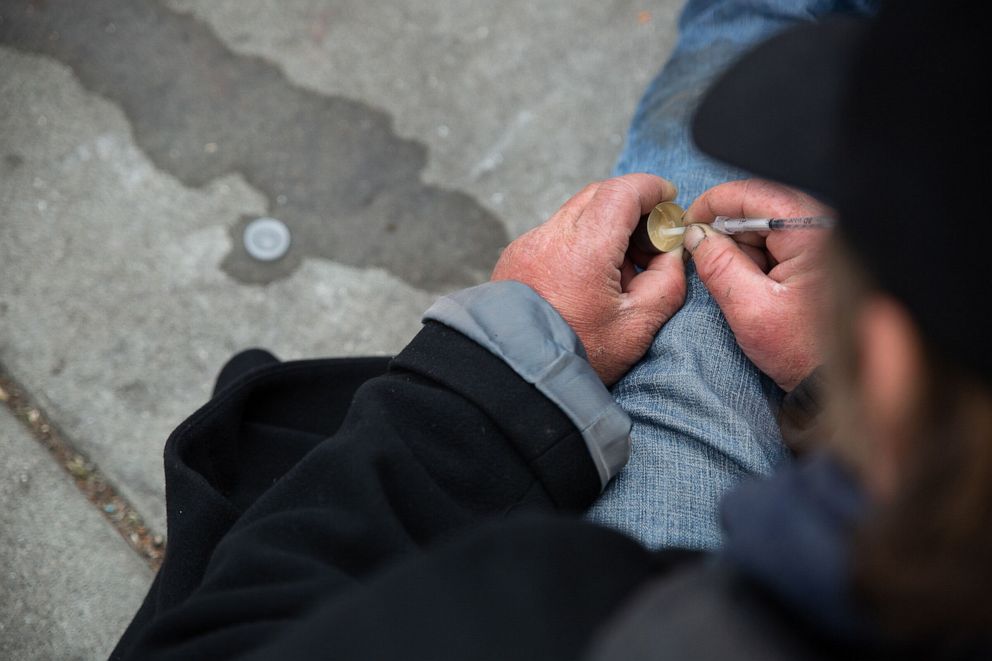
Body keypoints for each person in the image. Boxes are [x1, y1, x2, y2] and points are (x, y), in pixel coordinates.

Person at [112, 0, 991, 658]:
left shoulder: (578, 614)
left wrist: (498, 365)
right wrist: (837, 390)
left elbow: (222, 637)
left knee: (735, 93)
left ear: (895, 353)